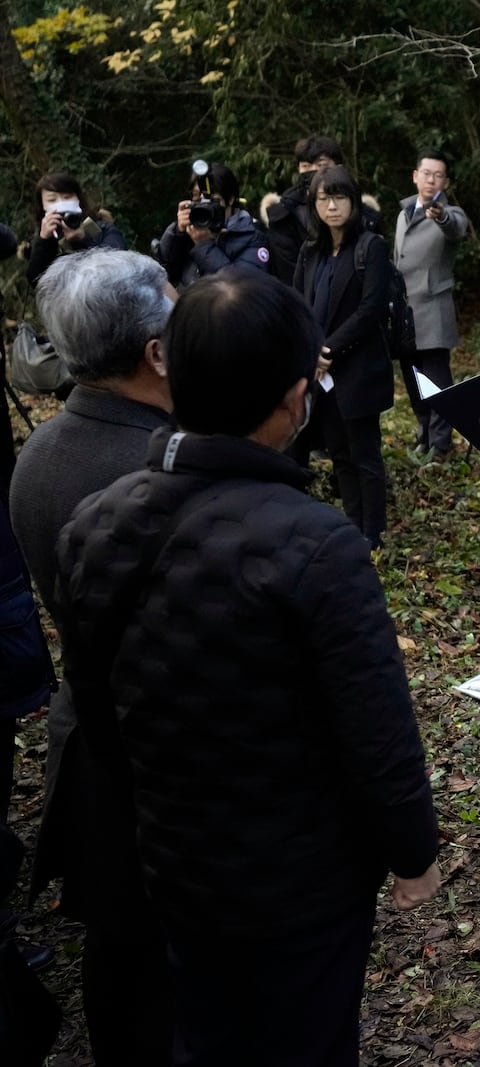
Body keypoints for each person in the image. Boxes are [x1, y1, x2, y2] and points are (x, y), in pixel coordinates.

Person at [53, 270, 441, 1066]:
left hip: (169, 854)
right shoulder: (316, 543)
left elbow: (95, 709)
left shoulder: (97, 520)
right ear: (296, 398)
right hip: (299, 882)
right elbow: (375, 727)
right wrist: (413, 852)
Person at [9, 249, 177, 1063]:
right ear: (155, 349)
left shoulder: (38, 452)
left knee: (121, 961)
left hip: (90, 744)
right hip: (171, 761)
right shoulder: (161, 466)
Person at [293, 165, 396, 550]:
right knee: (339, 453)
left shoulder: (371, 246)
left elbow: (370, 310)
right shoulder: (311, 250)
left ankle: (375, 533)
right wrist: (310, 350)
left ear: (353, 202)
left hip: (356, 367)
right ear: (314, 203)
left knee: (365, 454)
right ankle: (354, 526)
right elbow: (299, 303)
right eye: (324, 198)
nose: (332, 206)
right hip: (321, 371)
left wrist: (329, 350)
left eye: (340, 198)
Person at [395, 152, 470, 458]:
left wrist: (439, 215)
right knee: (411, 377)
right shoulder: (403, 213)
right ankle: (424, 430)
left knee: (436, 379)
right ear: (415, 175)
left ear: (445, 181)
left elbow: (455, 228)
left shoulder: (449, 212)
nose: (431, 179)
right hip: (403, 309)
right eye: (426, 173)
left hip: (432, 306)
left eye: (437, 175)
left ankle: (441, 443)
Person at [155, 161, 271, 286]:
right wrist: (177, 233)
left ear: (230, 199)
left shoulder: (253, 236)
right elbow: (162, 277)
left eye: (212, 200)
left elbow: (243, 289)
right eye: (198, 199)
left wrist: (204, 245)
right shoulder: (190, 231)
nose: (204, 206)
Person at [263, 134, 343, 286]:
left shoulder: (364, 215)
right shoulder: (284, 216)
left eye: (322, 165)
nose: (314, 171)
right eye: (306, 166)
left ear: (338, 167)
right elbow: (287, 273)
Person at [25, 172, 126, 287]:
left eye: (67, 198)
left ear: (78, 199)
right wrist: (44, 241)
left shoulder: (101, 228)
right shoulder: (42, 241)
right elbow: (36, 282)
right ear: (42, 207)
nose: (61, 204)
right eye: (52, 200)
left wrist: (83, 240)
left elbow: (118, 267)